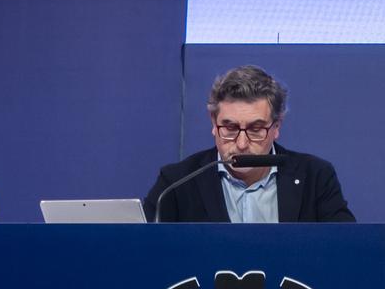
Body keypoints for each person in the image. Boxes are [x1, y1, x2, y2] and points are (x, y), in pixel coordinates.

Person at [144, 65, 356, 223]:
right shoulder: (176, 184)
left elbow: (348, 248)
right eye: (230, 128)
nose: (242, 144)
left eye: (256, 129)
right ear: (213, 123)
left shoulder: (315, 177)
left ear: (276, 127)